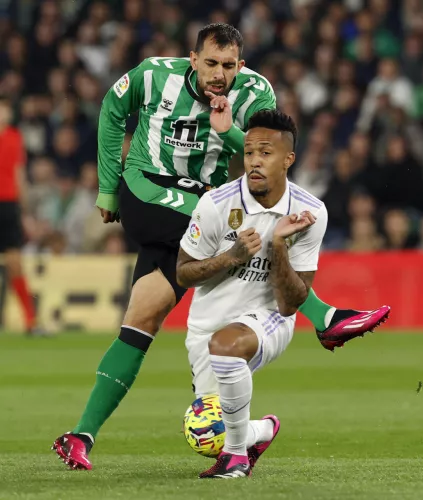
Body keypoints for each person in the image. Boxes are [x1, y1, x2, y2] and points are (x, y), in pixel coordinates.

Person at [53, 23, 389, 471]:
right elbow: (113, 108)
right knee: (247, 233)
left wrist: (229, 129)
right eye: (210, 63)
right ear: (193, 59)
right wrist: (109, 188)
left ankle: (81, 436)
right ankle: (323, 316)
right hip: (149, 188)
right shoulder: (153, 75)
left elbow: (263, 154)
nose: (218, 74)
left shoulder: (256, 92)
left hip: (203, 209)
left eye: (228, 66)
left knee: (143, 315)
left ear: (241, 66)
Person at [178, 110, 323, 478]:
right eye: (249, 152)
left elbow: (292, 301)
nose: (255, 161)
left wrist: (279, 245)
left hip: (270, 316)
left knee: (228, 347)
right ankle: (261, 431)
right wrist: (231, 257)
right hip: (207, 326)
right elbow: (183, 274)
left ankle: (236, 460)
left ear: (288, 159)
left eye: (266, 153)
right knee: (205, 434)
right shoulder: (216, 205)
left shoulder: (310, 212)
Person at [0, 97, 42, 336]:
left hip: (7, 205)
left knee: (15, 263)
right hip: (7, 204)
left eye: (5, 110)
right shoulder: (13, 136)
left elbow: (19, 176)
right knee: (14, 263)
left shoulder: (15, 137)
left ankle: (30, 321)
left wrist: (25, 212)